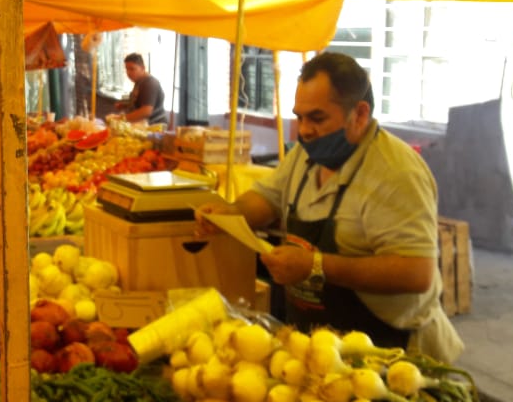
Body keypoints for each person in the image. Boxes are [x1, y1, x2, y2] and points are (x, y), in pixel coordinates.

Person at [196, 52, 463, 363]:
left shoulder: (397, 174)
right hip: (320, 348)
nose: (304, 130)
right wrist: (231, 214)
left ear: (360, 114)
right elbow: (266, 199)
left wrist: (316, 266)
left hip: (390, 350)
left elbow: (416, 273)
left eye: (317, 118)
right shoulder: (306, 155)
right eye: (300, 117)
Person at [114, 52, 167, 125]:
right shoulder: (139, 81)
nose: (128, 73)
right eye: (127, 69)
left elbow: (146, 111)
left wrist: (122, 119)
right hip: (142, 124)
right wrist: (124, 102)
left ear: (142, 68)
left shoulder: (149, 83)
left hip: (153, 126)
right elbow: (136, 98)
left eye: (132, 69)